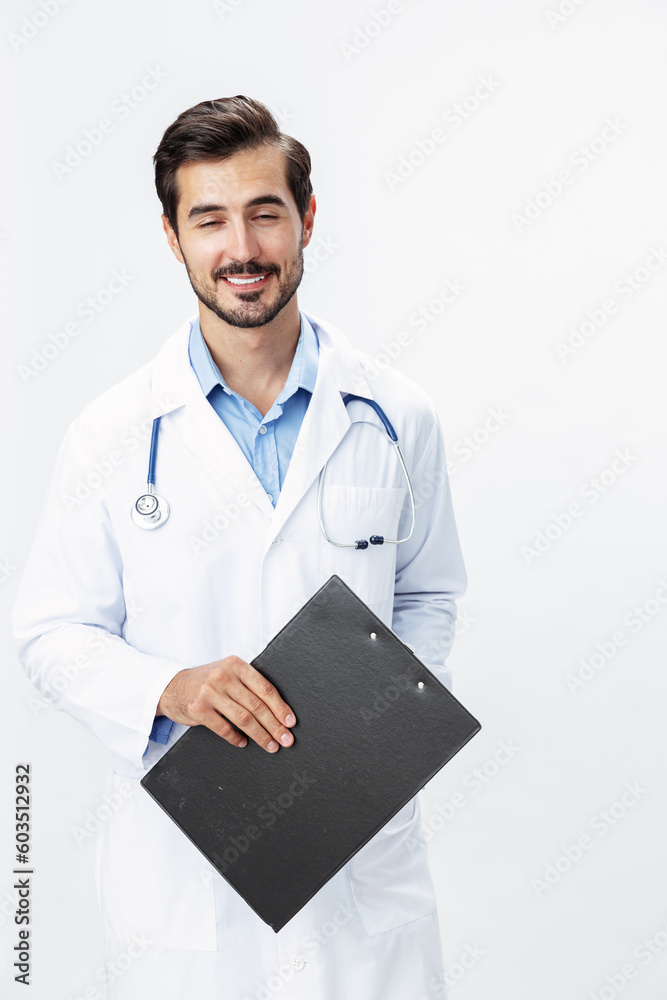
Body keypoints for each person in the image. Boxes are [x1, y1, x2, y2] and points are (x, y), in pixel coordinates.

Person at [12, 95, 467, 999]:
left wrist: (363, 729)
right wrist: (169, 689)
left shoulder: (394, 416)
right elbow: (49, 634)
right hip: (181, 891)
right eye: (209, 219)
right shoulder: (110, 434)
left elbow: (430, 596)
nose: (243, 248)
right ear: (174, 238)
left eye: (264, 212)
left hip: (356, 872)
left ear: (305, 219)